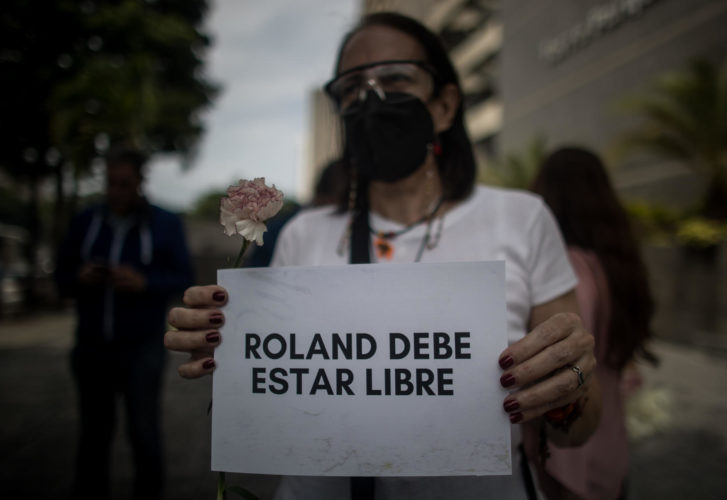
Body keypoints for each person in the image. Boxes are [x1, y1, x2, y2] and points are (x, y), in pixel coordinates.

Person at [164, 12, 602, 500]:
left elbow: (577, 431)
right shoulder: (303, 235)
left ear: (444, 104)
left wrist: (571, 385)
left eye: (394, 78)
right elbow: (281, 392)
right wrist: (229, 352)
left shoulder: (521, 220)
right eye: (351, 88)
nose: (370, 98)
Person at [56, 147, 193, 500]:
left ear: (139, 182)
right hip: (91, 345)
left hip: (142, 346)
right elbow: (61, 276)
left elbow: (184, 276)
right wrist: (80, 276)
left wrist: (145, 282)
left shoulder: (164, 222)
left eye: (125, 183)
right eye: (111, 183)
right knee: (93, 434)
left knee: (144, 431)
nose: (117, 191)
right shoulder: (86, 221)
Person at [527, 146, 656, 500]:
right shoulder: (618, 265)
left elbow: (562, 362)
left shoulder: (565, 273)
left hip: (571, 457)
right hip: (611, 446)